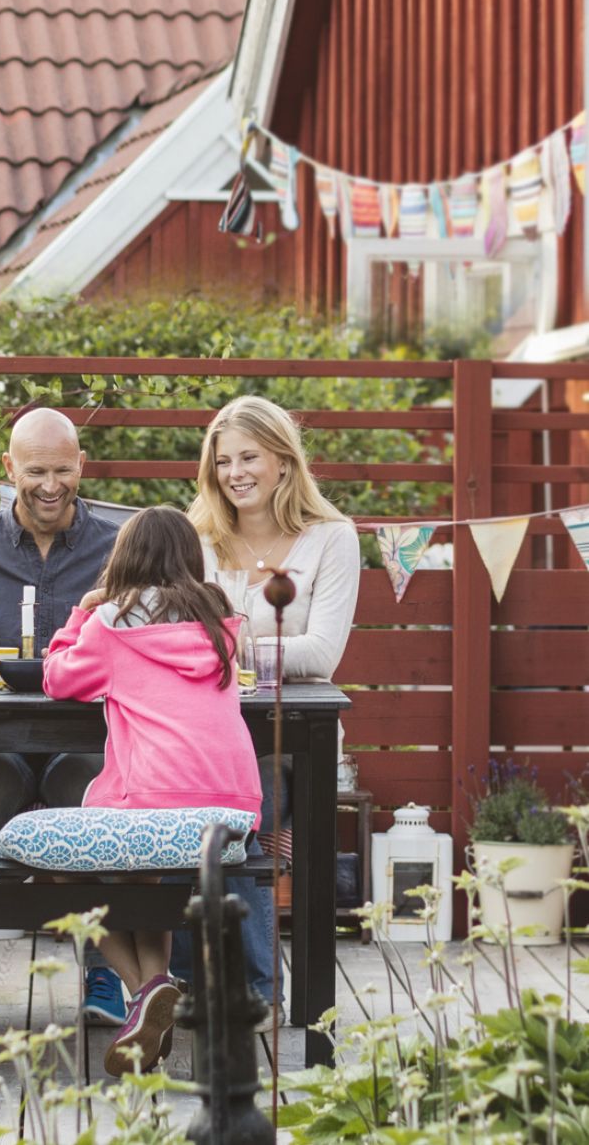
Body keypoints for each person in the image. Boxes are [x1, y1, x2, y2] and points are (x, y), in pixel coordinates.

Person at [0, 407, 126, 1025]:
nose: (50, 484)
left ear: (81, 466)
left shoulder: (117, 546)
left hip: (86, 733)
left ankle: (106, 972)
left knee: (84, 785)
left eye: (63, 470)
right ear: (10, 468)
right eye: (35, 470)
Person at [44, 506, 260, 1074]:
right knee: (145, 869)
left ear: (123, 560)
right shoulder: (221, 623)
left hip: (156, 798)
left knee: (63, 874)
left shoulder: (112, 625)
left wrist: (79, 613)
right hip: (232, 808)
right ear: (190, 558)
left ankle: (148, 988)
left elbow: (57, 677)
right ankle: (152, 999)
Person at [187, 394, 361, 1020]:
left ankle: (255, 991)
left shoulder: (331, 540)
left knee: (242, 810)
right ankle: (184, 982)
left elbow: (321, 652)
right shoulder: (199, 537)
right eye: (223, 460)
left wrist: (223, 648)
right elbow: (174, 633)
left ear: (284, 461)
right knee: (177, 810)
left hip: (289, 738)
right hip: (202, 728)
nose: (235, 472)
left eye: (249, 457)